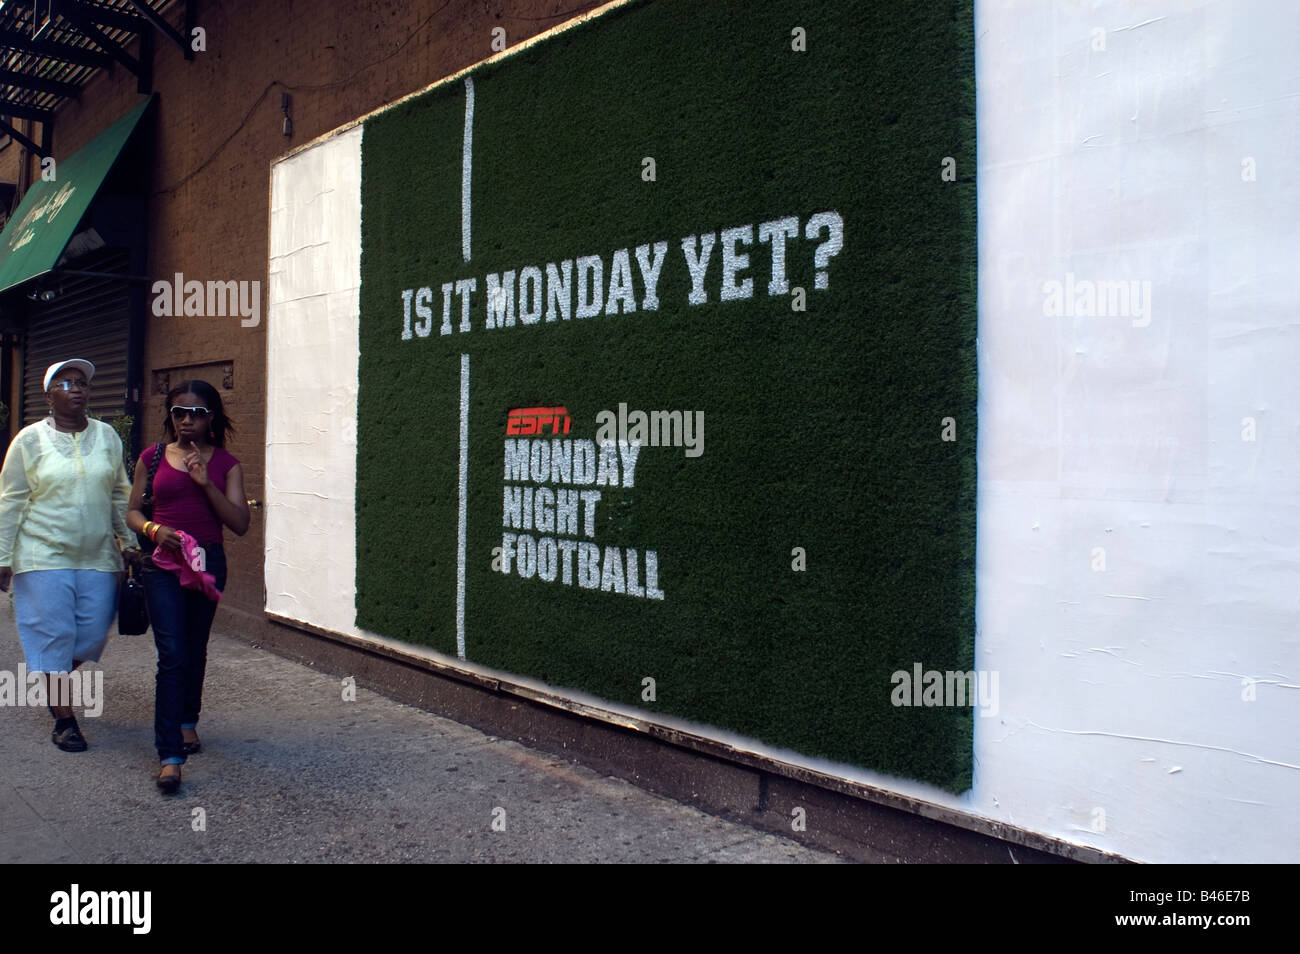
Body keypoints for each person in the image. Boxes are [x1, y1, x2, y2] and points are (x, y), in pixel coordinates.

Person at [0, 359, 132, 752]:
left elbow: (119, 492)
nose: (77, 389)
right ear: (48, 395)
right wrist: (3, 555)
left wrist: (130, 543)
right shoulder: (29, 440)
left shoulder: (107, 436)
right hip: (42, 554)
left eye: (82, 383)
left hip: (97, 556)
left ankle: (49, 675)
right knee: (54, 635)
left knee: (91, 635)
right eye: (66, 383)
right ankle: (65, 720)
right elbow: (11, 500)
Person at [127, 381, 249, 793]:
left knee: (195, 648)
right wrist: (152, 528)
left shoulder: (227, 464)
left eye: (196, 413)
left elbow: (239, 523)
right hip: (162, 565)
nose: (186, 420)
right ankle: (170, 756)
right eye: (179, 412)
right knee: (173, 653)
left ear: (212, 417)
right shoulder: (153, 457)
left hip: (207, 564)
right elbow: (131, 512)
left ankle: (187, 722)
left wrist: (204, 482)